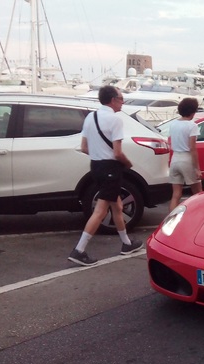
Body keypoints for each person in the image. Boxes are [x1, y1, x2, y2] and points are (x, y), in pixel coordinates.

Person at [68, 86, 143, 266]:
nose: (122, 102)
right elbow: (118, 153)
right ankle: (79, 250)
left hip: (96, 166)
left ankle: (126, 243)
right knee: (101, 210)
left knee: (116, 205)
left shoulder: (90, 117)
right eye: (121, 98)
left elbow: (85, 147)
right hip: (111, 168)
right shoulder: (115, 120)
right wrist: (128, 163)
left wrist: (99, 156)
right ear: (112, 100)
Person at [168, 97, 202, 212]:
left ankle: (170, 218)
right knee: (198, 193)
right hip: (186, 159)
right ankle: (199, 215)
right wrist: (197, 168)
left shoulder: (173, 124)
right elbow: (193, 148)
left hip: (175, 158)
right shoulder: (192, 126)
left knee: (176, 194)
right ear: (192, 111)